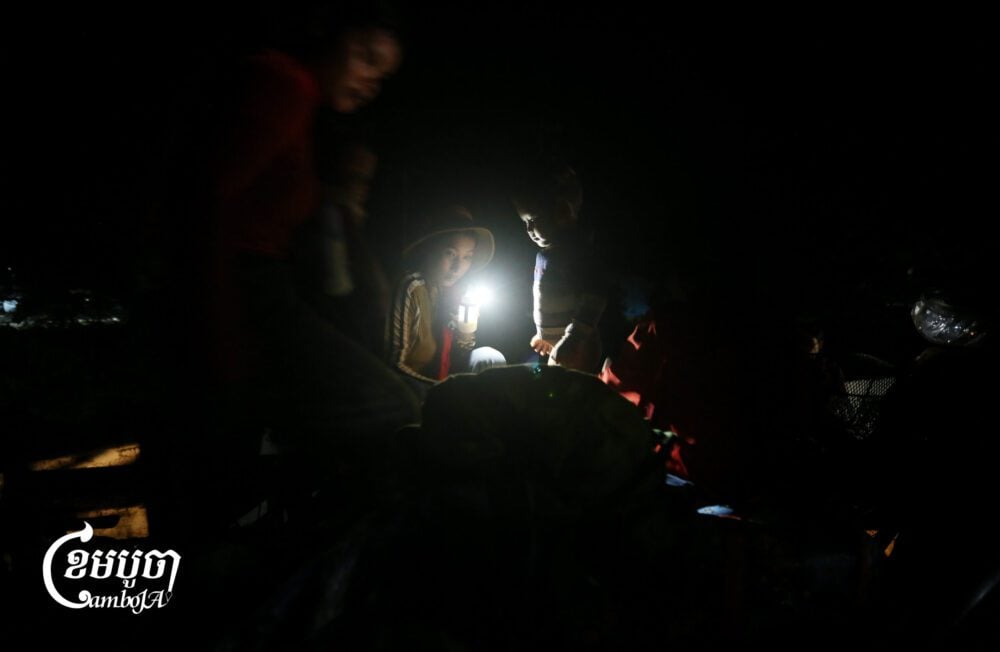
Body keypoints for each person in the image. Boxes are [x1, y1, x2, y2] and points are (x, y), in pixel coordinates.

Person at [386, 207, 506, 399]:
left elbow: (457, 356)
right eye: (450, 254)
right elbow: (394, 365)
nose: (458, 267)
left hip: (444, 379)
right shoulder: (411, 287)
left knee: (490, 357)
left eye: (467, 257)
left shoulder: (454, 292)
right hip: (413, 387)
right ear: (430, 250)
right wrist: (443, 390)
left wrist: (465, 332)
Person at [511, 160, 607, 373]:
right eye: (525, 222)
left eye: (533, 219)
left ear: (563, 212)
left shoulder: (576, 253)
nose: (529, 229)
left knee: (567, 389)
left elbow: (595, 297)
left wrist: (574, 338)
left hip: (578, 348)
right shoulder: (545, 254)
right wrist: (544, 335)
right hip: (561, 345)